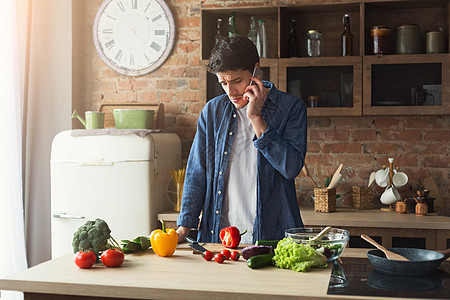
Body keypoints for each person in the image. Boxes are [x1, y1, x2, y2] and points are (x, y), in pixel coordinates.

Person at [176, 35, 307, 244]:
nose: (231, 91)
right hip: (218, 238)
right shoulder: (212, 111)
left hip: (273, 236)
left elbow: (291, 168)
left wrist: (257, 119)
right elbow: (196, 171)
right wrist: (184, 228)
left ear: (256, 71)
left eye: (237, 81)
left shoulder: (291, 108)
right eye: (223, 83)